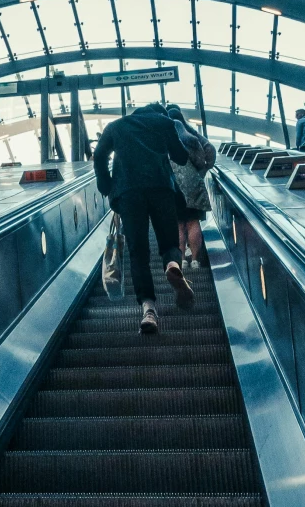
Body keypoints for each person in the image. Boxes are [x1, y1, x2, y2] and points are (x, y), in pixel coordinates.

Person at [92, 103, 211, 336]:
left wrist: (106, 185)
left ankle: (149, 310)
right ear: (157, 113)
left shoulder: (116, 126)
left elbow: (99, 155)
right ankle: (173, 265)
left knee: (138, 252)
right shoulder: (164, 122)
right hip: (161, 189)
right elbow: (179, 155)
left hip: (128, 193)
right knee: (168, 241)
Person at [166, 107, 215, 270]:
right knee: (193, 222)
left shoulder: (163, 140)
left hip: (172, 186)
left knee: (178, 224)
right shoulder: (192, 139)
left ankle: (181, 260)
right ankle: (195, 260)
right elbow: (203, 160)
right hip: (193, 184)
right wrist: (202, 171)